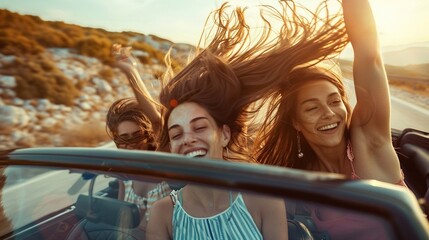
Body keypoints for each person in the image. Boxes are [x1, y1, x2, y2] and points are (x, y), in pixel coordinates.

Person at [106, 97, 171, 230]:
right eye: (125, 137)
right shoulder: (124, 176)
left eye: (138, 135)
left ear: (149, 136)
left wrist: (131, 75)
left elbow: (158, 123)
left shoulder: (162, 162)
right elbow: (122, 222)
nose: (133, 143)